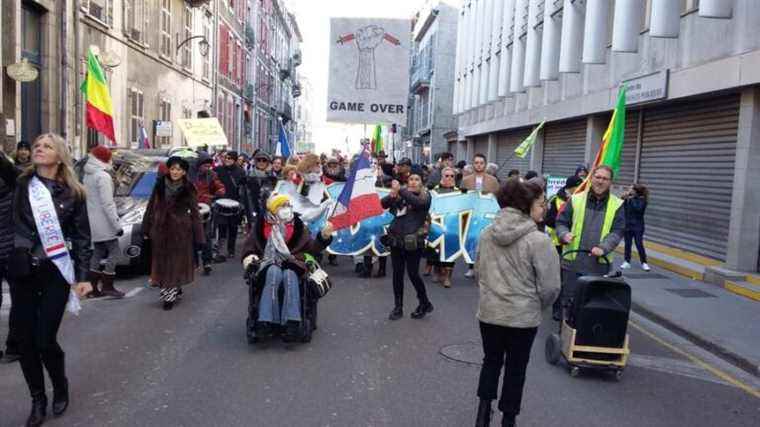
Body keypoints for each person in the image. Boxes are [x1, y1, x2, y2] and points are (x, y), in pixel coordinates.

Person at [8, 133, 93, 426]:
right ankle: (37, 399)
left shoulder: (75, 193)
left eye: (46, 146)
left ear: (59, 155)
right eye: (36, 146)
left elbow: (82, 238)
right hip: (22, 270)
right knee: (24, 341)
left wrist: (83, 277)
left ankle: (60, 385)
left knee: (45, 340)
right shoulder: (21, 183)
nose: (39, 149)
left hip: (55, 271)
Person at [474, 178, 560, 427]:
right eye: (541, 204)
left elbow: (479, 271)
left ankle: (482, 414)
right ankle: (508, 419)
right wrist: (536, 304)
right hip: (523, 318)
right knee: (516, 369)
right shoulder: (539, 240)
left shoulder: (486, 234)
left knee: (490, 362)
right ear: (526, 205)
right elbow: (551, 287)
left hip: (490, 313)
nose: (544, 208)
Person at [241, 194, 333, 341]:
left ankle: (292, 321)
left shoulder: (298, 225)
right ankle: (265, 321)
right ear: (273, 209)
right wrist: (250, 259)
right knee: (273, 272)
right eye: (282, 206)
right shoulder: (261, 226)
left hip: (294, 263)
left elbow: (312, 249)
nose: (286, 208)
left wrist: (323, 237)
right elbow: (249, 248)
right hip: (268, 262)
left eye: (288, 205)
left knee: (289, 274)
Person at [142, 156, 205, 310]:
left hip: (180, 230)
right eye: (173, 169)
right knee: (162, 262)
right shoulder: (159, 185)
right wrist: (146, 227)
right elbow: (151, 206)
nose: (175, 172)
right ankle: (171, 288)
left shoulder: (189, 187)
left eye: (179, 169)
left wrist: (199, 235)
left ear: (184, 172)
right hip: (160, 229)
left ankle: (169, 296)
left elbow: (195, 212)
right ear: (169, 169)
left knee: (175, 262)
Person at [381, 174, 433, 320]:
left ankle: (424, 302)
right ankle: (398, 307)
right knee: (397, 274)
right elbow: (383, 204)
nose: (414, 182)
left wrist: (401, 190)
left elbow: (418, 204)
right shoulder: (401, 194)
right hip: (396, 240)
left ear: (421, 182)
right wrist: (392, 194)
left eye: (417, 179)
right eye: (411, 179)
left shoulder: (425, 195)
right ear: (407, 181)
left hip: (414, 242)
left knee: (413, 274)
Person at [556, 165, 625, 276]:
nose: (600, 181)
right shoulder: (575, 199)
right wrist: (564, 234)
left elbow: (617, 231)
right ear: (591, 178)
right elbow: (561, 222)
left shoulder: (617, 204)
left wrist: (604, 247)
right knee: (570, 294)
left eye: (605, 179)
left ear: (610, 182)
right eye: (598, 177)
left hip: (600, 267)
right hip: (571, 265)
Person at [83, 145, 125, 298]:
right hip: (105, 222)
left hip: (92, 220)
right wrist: (117, 225)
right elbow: (108, 203)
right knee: (115, 252)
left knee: (98, 251)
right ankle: (108, 285)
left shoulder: (88, 174)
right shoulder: (103, 176)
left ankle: (92, 287)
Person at [461, 153, 500, 278]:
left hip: (487, 215)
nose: (479, 165)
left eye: (481, 163)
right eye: (476, 162)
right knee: (471, 240)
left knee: (486, 241)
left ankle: (484, 268)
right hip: (472, 214)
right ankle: (471, 266)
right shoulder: (466, 180)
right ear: (473, 164)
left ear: (485, 164)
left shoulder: (493, 180)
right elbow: (462, 197)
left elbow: (497, 197)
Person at [0, 150, 21, 364]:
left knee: (18, 298)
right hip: (10, 248)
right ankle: (14, 346)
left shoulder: (13, 185)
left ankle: (14, 345)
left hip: (11, 249)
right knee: (17, 299)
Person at [425, 167, 460, 288]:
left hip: (452, 226)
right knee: (435, 249)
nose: (449, 178)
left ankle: (447, 277)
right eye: (447, 176)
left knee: (450, 251)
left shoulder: (459, 192)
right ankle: (436, 270)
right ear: (442, 177)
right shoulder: (433, 191)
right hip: (436, 225)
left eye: (452, 176)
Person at [193, 152, 226, 274]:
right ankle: (194, 262)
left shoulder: (212, 175)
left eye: (209, 166)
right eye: (205, 166)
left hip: (206, 208)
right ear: (199, 165)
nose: (207, 168)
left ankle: (207, 262)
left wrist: (220, 191)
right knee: (192, 236)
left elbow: (219, 186)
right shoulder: (191, 175)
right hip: (191, 208)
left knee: (206, 236)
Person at [214, 151, 246, 261]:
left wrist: (242, 203)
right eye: (226, 158)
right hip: (221, 202)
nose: (227, 160)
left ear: (235, 160)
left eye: (230, 158)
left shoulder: (240, 172)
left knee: (233, 228)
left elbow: (243, 188)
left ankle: (231, 250)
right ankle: (221, 251)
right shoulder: (218, 170)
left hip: (234, 203)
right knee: (222, 226)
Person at [545, 175, 583, 256]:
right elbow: (548, 220)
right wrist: (564, 227)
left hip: (573, 241)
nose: (581, 189)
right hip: (557, 242)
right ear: (571, 187)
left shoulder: (580, 200)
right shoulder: (555, 199)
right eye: (579, 187)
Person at [621, 183, 650, 271]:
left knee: (639, 243)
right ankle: (627, 261)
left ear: (635, 191)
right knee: (628, 244)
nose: (629, 190)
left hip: (638, 225)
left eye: (631, 189)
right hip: (628, 224)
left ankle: (644, 262)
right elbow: (621, 207)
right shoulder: (628, 199)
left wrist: (631, 199)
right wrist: (623, 198)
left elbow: (638, 209)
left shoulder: (642, 200)